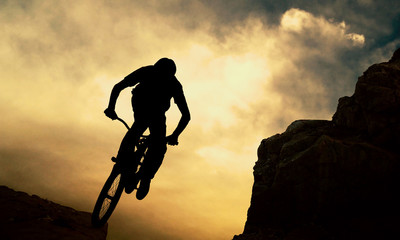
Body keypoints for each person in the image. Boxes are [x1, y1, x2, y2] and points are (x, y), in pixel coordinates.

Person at [104, 58, 190, 200]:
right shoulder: (147, 72)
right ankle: (125, 162)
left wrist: (175, 135)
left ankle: (145, 176)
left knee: (154, 141)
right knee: (140, 129)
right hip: (142, 104)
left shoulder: (174, 85)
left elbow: (186, 115)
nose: (160, 79)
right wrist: (110, 107)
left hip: (156, 112)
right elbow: (119, 86)